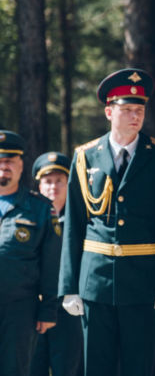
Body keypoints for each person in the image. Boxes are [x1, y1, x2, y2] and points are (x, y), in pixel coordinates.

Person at [58, 68, 155, 376]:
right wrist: (69, 285)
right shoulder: (85, 157)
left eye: (139, 110)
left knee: (139, 366)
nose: (134, 116)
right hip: (95, 281)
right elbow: (74, 224)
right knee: (96, 366)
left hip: (143, 282)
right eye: (126, 109)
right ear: (108, 111)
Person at [0, 130, 60, 376]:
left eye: (10, 161)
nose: (4, 167)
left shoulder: (39, 208)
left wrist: (48, 309)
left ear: (21, 165)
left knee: (14, 369)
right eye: (0, 161)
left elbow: (51, 264)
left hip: (20, 310)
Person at [30, 151, 83, 376]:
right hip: (33, 306)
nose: (53, 187)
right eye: (48, 181)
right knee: (33, 366)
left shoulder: (81, 220)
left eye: (59, 181)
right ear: (39, 185)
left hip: (68, 307)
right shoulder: (27, 217)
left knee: (68, 368)